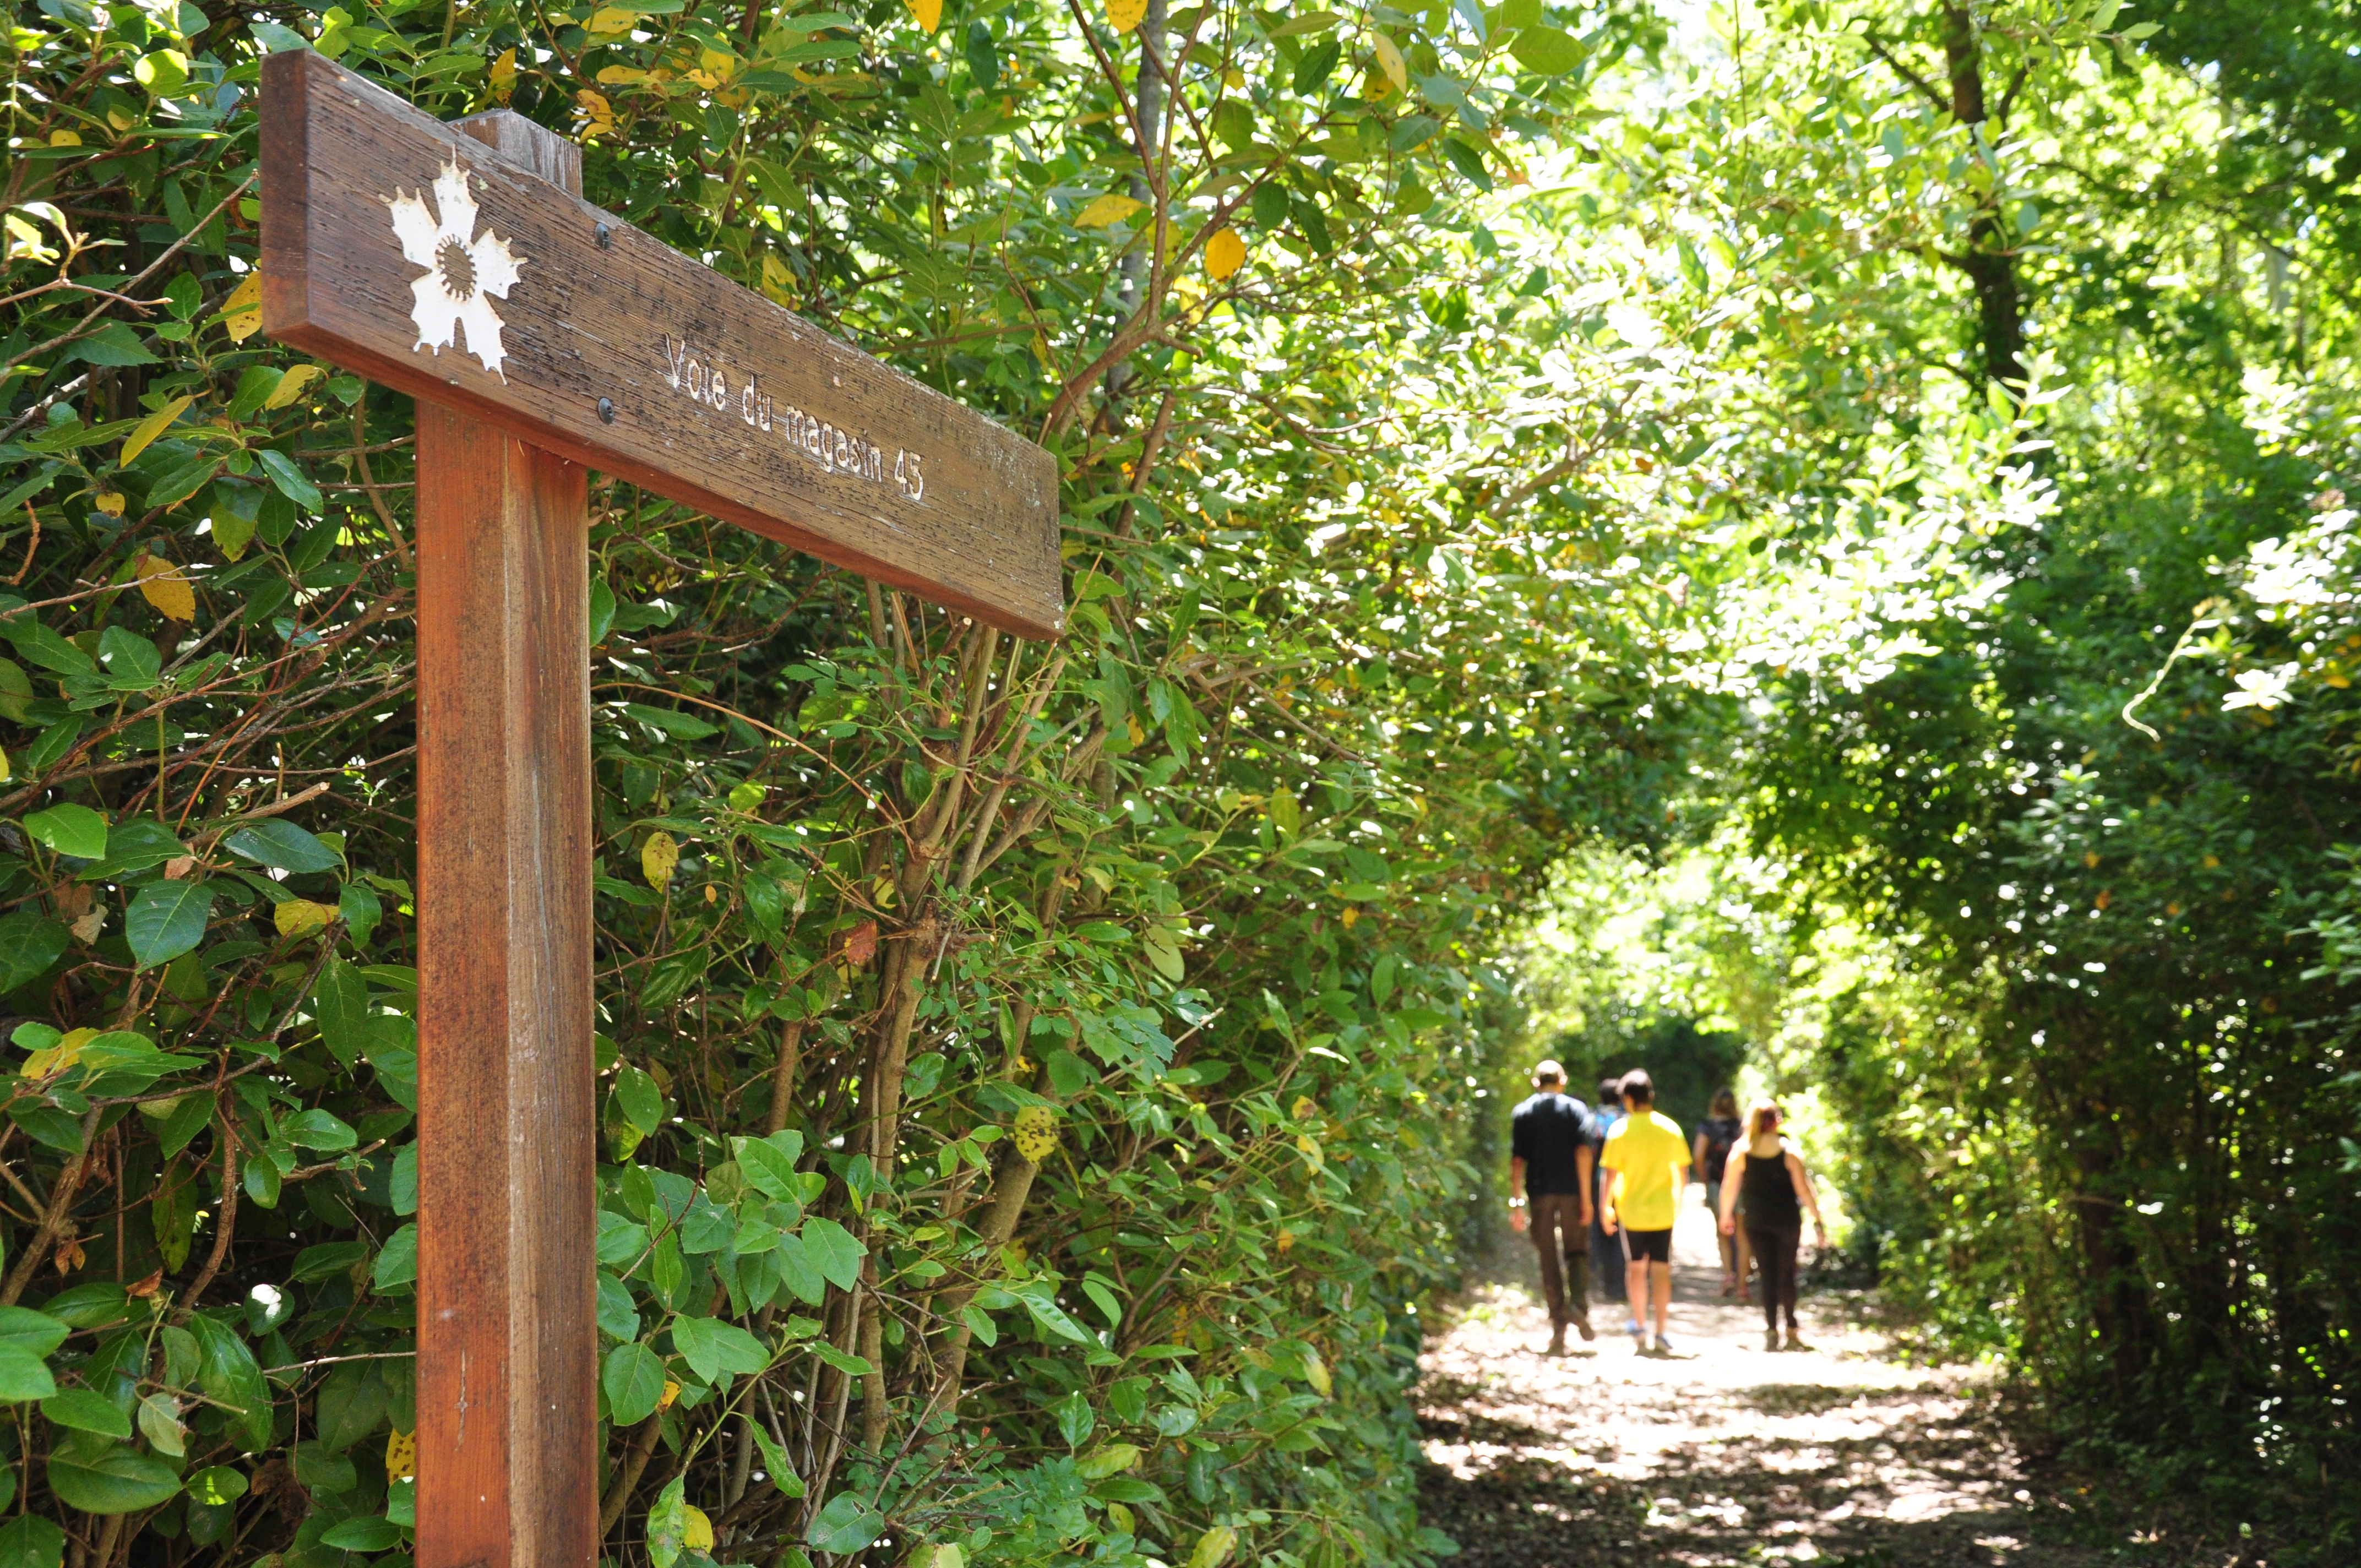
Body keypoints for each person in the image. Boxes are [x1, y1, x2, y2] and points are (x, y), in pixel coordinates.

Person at [1717, 1099, 1828, 1351]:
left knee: (1767, 1274)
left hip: (1756, 1221)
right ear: (1777, 1121)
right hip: (1787, 1220)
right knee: (1787, 1272)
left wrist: (1725, 1216)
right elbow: (1804, 1189)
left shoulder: (1741, 1151)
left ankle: (1771, 1329)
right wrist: (1818, 1219)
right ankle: (1791, 1326)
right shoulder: (1789, 1151)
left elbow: (1729, 1187)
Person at [1507, 1059, 1597, 1354]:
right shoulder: (1577, 1110)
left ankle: (1558, 1326)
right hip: (1572, 1192)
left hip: (1540, 1193)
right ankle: (1578, 1307)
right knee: (1577, 1252)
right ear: (1563, 1081)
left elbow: (1517, 1160)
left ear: (1536, 1082)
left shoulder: (1523, 1112)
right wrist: (1587, 1198)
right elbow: (1583, 1152)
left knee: (1548, 1258)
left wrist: (1517, 1202)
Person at [1598, 1069, 1689, 1355]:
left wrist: (1605, 1207)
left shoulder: (1620, 1130)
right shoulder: (1670, 1128)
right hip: (1663, 1210)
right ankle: (1661, 1332)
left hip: (1632, 1210)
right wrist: (1679, 1201)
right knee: (1661, 1269)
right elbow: (1682, 1171)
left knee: (1636, 1268)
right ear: (1650, 1095)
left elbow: (1610, 1175)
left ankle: (1639, 1326)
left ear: (1627, 1098)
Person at [1694, 1090, 1745, 1297]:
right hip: (1741, 1183)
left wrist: (1706, 1179)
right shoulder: (1743, 1126)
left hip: (1717, 1183)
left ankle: (1729, 1275)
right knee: (1742, 1234)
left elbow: (1698, 1155)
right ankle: (1742, 1285)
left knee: (1723, 1232)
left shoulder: (1707, 1126)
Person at [1586, 1077, 1627, 1308]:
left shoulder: (1591, 1120)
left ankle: (1603, 1281)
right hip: (1626, 1183)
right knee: (1624, 1233)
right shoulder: (1628, 1120)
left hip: (1596, 1183)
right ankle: (1621, 1285)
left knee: (1600, 1230)